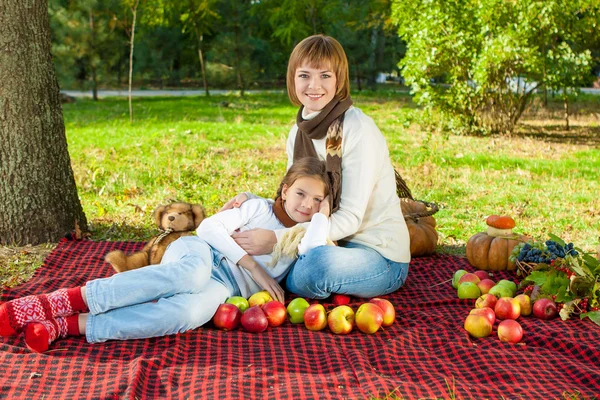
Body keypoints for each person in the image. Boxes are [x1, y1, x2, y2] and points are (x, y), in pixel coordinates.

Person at [0, 157, 331, 352]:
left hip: (224, 289)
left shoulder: (303, 237)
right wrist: (254, 270)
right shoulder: (257, 207)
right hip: (200, 255)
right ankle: (59, 301)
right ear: (285, 189)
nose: (306, 204)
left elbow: (315, 250)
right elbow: (209, 230)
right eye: (301, 193)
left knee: (188, 313)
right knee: (190, 275)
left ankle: (71, 325)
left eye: (317, 200)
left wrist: (323, 216)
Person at [221, 34, 411, 300]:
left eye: (325, 76)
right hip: (317, 242)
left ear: (339, 80)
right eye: (304, 75)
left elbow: (351, 217)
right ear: (292, 79)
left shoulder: (357, 129)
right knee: (251, 249)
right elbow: (295, 202)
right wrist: (251, 202)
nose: (314, 86)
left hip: (376, 253)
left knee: (312, 268)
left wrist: (278, 240)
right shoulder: (297, 135)